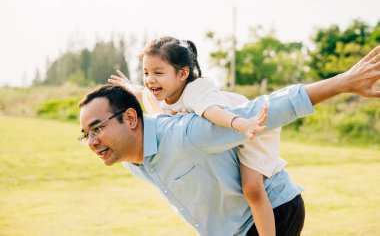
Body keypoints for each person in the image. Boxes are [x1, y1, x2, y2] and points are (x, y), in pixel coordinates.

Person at [78, 46, 380, 236]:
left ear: (130, 119)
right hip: (235, 227)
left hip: (274, 204)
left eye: (97, 128)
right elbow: (144, 94)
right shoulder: (131, 156)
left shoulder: (187, 132)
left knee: (253, 187)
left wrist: (342, 83)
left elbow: (267, 108)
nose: (92, 141)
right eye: (85, 135)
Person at [108, 37, 285, 236]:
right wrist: (128, 86)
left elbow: (214, 112)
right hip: (231, 131)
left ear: (183, 73)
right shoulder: (156, 97)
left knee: (252, 188)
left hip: (251, 127)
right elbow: (142, 92)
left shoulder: (195, 91)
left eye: (158, 72)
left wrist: (241, 123)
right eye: (146, 72)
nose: (150, 79)